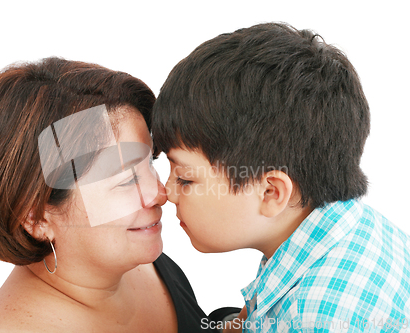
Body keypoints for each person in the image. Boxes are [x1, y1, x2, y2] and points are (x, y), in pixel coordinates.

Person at [0, 57, 220, 332]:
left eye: (150, 163)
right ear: (37, 217)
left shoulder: (140, 262)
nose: (161, 193)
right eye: (125, 180)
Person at [151, 22, 410, 332]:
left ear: (271, 192)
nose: (166, 192)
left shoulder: (316, 319)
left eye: (186, 179)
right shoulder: (349, 227)